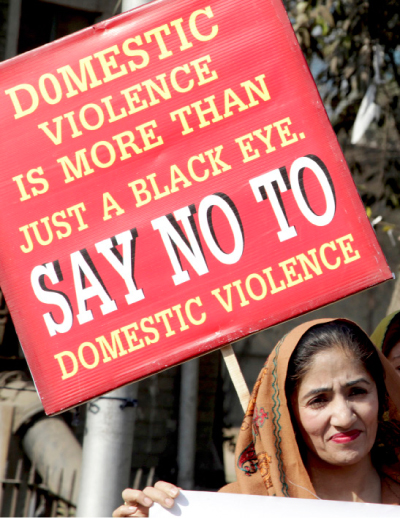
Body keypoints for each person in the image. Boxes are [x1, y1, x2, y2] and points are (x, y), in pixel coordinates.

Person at [113, 318, 400, 517]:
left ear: (383, 393)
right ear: (287, 414)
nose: (344, 416)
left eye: (357, 392)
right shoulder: (237, 507)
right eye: (319, 400)